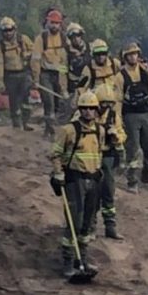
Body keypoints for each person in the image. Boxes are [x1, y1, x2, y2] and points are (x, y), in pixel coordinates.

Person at [49, 89, 104, 279]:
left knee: (87, 224)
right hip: (75, 180)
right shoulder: (69, 130)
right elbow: (55, 153)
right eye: (85, 108)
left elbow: (100, 155)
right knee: (74, 221)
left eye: (91, 108)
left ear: (96, 110)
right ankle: (67, 261)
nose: (88, 112)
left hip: (93, 180)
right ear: (80, 109)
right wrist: (58, 173)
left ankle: (82, 260)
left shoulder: (100, 130)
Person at [120, 40, 148, 190]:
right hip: (130, 115)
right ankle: (132, 181)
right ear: (125, 57)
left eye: (135, 54)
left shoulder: (144, 70)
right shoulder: (121, 74)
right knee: (133, 149)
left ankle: (147, 174)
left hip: (147, 112)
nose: (133, 57)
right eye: (130, 55)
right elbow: (118, 98)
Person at [94, 84, 127, 239]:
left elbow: (122, 134)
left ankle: (110, 226)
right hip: (91, 157)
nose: (106, 106)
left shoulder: (113, 116)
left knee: (108, 190)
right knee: (92, 192)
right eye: (103, 103)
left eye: (109, 103)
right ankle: (90, 226)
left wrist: (116, 136)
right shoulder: (86, 113)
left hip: (108, 156)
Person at [31, 9, 69, 137]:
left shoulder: (64, 38)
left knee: (58, 102)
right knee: (48, 100)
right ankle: (50, 128)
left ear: (60, 24)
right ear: (48, 22)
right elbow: (35, 59)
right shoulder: (41, 38)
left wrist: (63, 85)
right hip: (45, 74)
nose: (54, 26)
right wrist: (36, 79)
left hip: (58, 74)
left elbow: (64, 63)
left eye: (57, 23)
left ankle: (50, 126)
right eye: (52, 23)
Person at [0, 17, 34, 131]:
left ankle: (25, 122)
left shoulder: (23, 39)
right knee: (14, 100)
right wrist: (0, 82)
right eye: (5, 31)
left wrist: (27, 54)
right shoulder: (0, 45)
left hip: (24, 73)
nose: (8, 33)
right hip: (10, 75)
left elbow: (35, 52)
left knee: (25, 98)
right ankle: (16, 124)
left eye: (10, 29)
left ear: (14, 29)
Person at [81, 40, 122, 109]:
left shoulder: (114, 63)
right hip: (97, 103)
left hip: (115, 100)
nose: (101, 57)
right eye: (98, 54)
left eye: (103, 53)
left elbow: (126, 73)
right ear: (93, 55)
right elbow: (81, 88)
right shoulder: (88, 68)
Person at [65, 22, 91, 101]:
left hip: (89, 82)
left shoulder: (90, 48)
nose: (76, 39)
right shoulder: (65, 52)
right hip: (73, 84)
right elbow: (62, 71)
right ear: (70, 38)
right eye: (73, 37)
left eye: (78, 36)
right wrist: (64, 89)